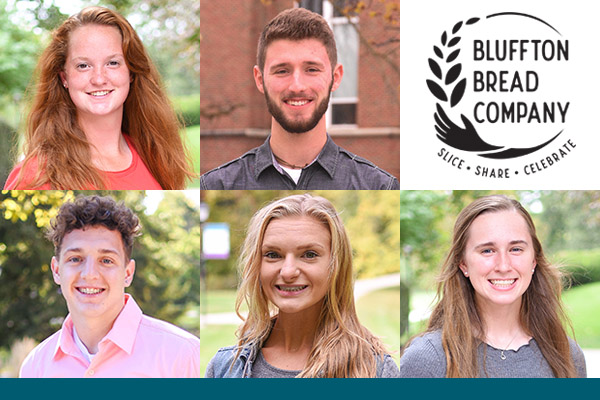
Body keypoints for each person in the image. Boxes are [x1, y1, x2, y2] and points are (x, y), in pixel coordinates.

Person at [200, 8, 399, 190]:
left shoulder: (378, 186)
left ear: (335, 77)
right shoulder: (216, 185)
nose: (297, 86)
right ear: (260, 80)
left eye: (312, 69)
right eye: (282, 70)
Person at [205, 194, 399, 378]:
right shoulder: (224, 368)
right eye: (273, 255)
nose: (288, 272)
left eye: (309, 254)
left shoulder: (375, 370)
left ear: (337, 265)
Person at [4, 6, 194, 190]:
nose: (99, 79)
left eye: (112, 63)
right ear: (64, 77)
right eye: (83, 66)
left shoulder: (155, 156)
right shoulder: (36, 175)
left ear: (131, 72)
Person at [400, 195, 587, 378]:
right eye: (487, 251)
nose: (504, 266)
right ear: (463, 263)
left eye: (516, 249)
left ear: (534, 260)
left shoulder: (568, 355)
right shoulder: (427, 359)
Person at [19, 195, 200, 378]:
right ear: (57, 270)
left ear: (127, 273)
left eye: (106, 260)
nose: (90, 274)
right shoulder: (35, 369)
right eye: (75, 259)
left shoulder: (182, 357)